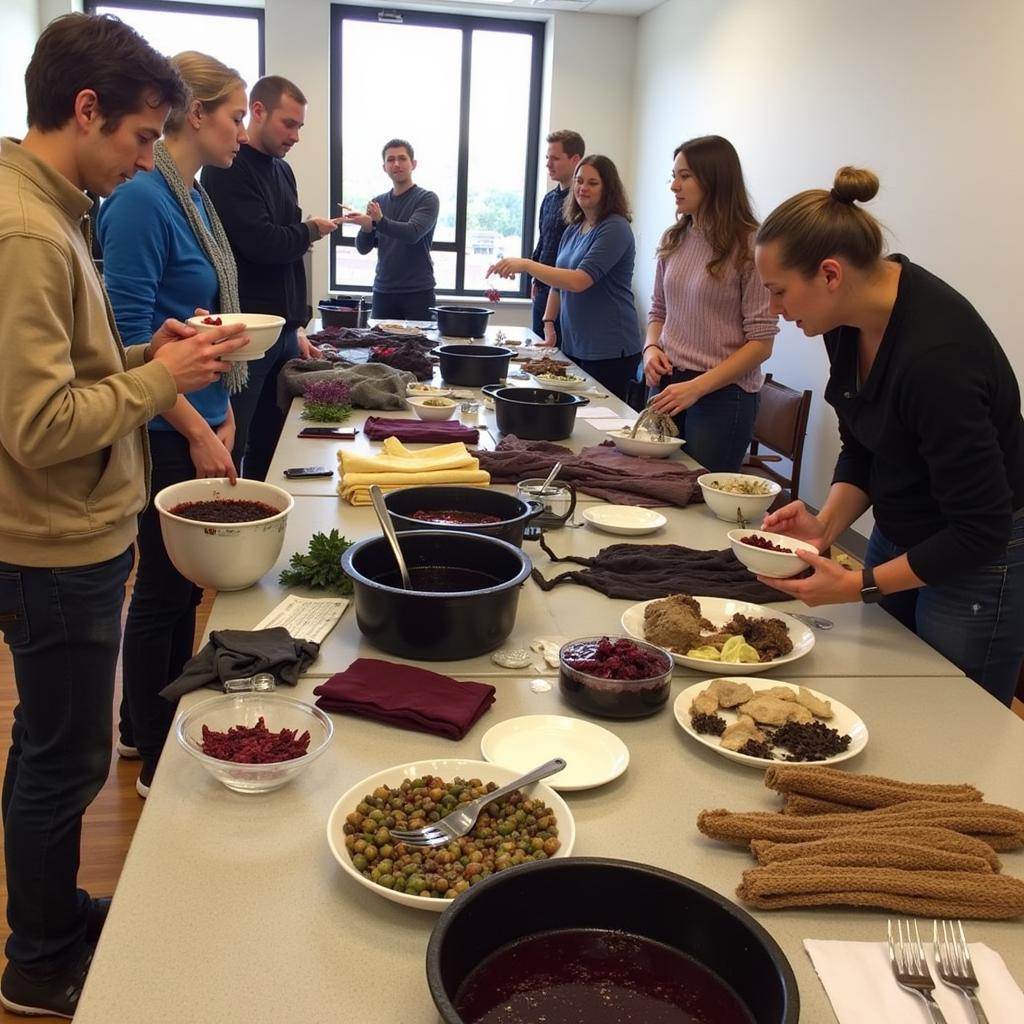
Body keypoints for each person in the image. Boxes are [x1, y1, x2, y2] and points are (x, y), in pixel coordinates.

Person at [0, 14, 247, 1017]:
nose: (151, 158)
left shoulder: (54, 207)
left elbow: (74, 369)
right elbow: (36, 423)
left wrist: (152, 357)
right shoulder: (25, 227)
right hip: (52, 539)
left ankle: (52, 914)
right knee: (64, 756)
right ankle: (39, 957)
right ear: (86, 109)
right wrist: (163, 385)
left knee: (57, 748)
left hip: (74, 531)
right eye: (143, 136)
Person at [754, 166, 1024, 706]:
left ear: (830, 274)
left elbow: (980, 529)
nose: (775, 311)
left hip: (976, 555)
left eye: (779, 291)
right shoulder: (846, 319)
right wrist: (824, 524)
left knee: (947, 716)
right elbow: (864, 443)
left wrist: (857, 584)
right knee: (883, 691)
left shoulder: (937, 358)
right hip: (903, 529)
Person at [97, 50, 250, 801]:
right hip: (166, 429)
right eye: (236, 115)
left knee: (185, 590)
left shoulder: (193, 195)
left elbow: (191, 318)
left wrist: (216, 419)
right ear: (198, 115)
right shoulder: (140, 202)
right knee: (162, 589)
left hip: (203, 419)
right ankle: (151, 741)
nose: (242, 131)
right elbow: (131, 338)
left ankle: (156, 720)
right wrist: (196, 427)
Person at [203, 75, 342, 479]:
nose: (296, 135)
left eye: (300, 126)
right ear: (258, 111)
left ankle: (268, 514)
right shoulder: (229, 168)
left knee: (275, 439)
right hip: (248, 334)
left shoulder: (282, 171)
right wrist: (310, 230)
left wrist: (297, 325)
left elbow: (287, 254)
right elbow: (264, 244)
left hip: (282, 332)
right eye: (289, 124)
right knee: (238, 440)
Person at [643, 136, 778, 471]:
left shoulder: (751, 245)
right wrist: (650, 348)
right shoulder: (674, 238)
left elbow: (761, 344)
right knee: (651, 485)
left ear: (715, 178)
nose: (674, 185)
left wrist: (697, 388)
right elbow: (658, 311)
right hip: (670, 385)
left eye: (685, 176)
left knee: (700, 502)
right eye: (673, 175)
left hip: (721, 396)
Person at [487, 154, 642, 402]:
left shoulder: (615, 227)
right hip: (575, 343)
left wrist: (527, 264)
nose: (582, 188)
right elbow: (558, 284)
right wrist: (549, 325)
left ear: (608, 188)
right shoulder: (573, 229)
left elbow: (578, 280)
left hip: (610, 348)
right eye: (579, 181)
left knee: (601, 418)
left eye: (593, 182)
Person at [345, 139, 439, 321]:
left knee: (420, 346)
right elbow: (363, 248)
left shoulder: (427, 199)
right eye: (390, 160)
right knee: (380, 346)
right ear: (384, 167)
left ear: (413, 164)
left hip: (418, 291)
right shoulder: (378, 202)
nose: (396, 164)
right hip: (383, 291)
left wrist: (379, 221)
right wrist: (366, 228)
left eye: (402, 158)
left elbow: (412, 233)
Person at [530, 129, 584, 341]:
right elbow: (543, 242)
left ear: (575, 160)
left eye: (555, 158)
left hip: (567, 296)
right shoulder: (549, 199)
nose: (548, 164)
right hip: (543, 291)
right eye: (547, 158)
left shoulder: (581, 202)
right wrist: (535, 281)